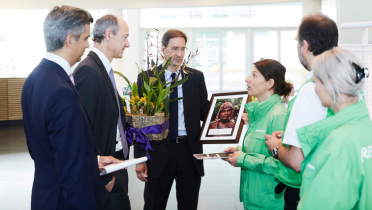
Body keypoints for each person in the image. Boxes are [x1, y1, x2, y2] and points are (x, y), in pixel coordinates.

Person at [21, 6, 121, 210]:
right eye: (85, 38)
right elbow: (72, 171)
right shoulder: (61, 91)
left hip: (45, 195)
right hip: (65, 202)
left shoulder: (33, 79)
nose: (87, 45)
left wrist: (94, 160)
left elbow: (41, 148)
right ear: (69, 40)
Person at [264, 13, 338, 210]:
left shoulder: (312, 89)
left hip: (310, 190)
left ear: (306, 45)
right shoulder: (345, 84)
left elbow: (297, 161)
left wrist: (276, 147)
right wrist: (290, 137)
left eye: (297, 42)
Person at [134, 29, 210, 210]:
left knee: (188, 205)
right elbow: (140, 121)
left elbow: (203, 111)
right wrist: (140, 158)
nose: (179, 54)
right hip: (159, 152)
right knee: (153, 205)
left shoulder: (196, 77)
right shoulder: (147, 78)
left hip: (189, 151)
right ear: (163, 49)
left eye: (183, 49)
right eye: (175, 48)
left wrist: (230, 115)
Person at [296, 47, 372, 209]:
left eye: (315, 82)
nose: (315, 89)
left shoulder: (338, 144)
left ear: (330, 84)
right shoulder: (365, 128)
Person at [74, 15, 131, 210]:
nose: (128, 43)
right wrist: (105, 177)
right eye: (125, 37)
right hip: (105, 173)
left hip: (115, 165)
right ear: (108, 35)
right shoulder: (89, 71)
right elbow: (83, 129)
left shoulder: (102, 70)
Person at [224, 59, 293, 210]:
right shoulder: (258, 112)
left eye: (254, 75)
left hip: (269, 201)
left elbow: (280, 164)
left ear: (269, 84)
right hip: (252, 198)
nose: (247, 79)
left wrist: (243, 159)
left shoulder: (278, 115)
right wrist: (239, 152)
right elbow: (259, 148)